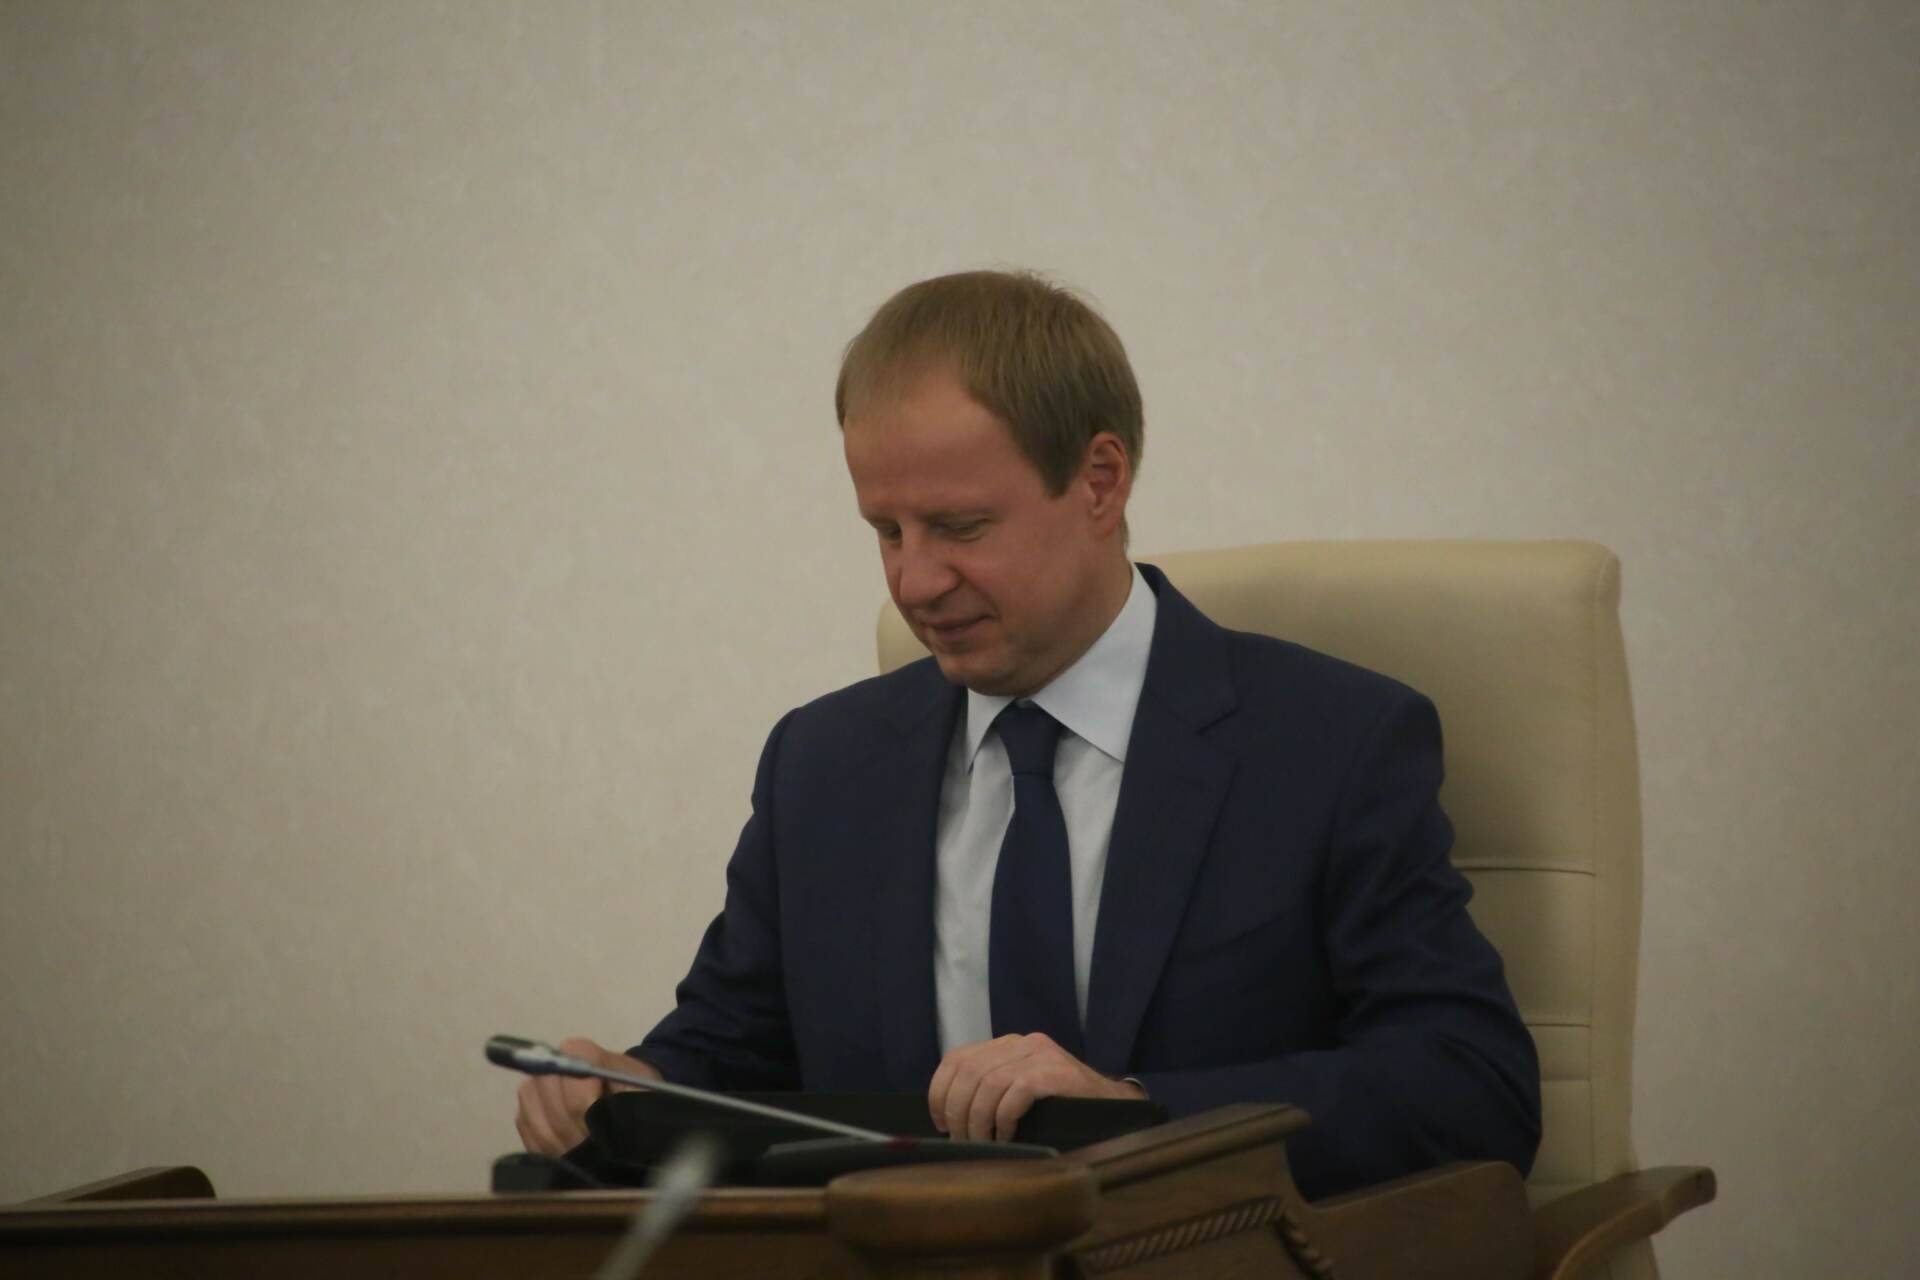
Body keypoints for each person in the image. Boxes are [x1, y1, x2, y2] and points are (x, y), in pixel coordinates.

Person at [514, 270, 1541, 1197]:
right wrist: (629, 1088)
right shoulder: (822, 765)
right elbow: (732, 1049)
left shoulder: (1331, 741)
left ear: (1100, 481)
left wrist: (1134, 1110)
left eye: (960, 527)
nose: (915, 581)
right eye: (887, 531)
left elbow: (1468, 1083)